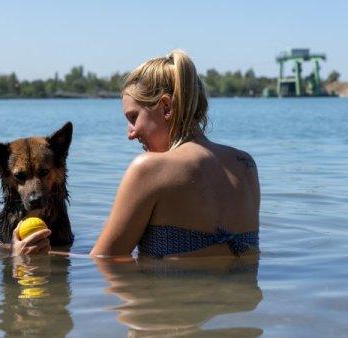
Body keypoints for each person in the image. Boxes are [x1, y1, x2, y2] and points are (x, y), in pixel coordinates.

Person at [13, 49, 260, 258]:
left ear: (166, 107)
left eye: (133, 118)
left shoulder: (150, 168)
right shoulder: (246, 164)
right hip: (240, 314)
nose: (130, 133)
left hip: (170, 313)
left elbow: (103, 261)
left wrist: (22, 253)